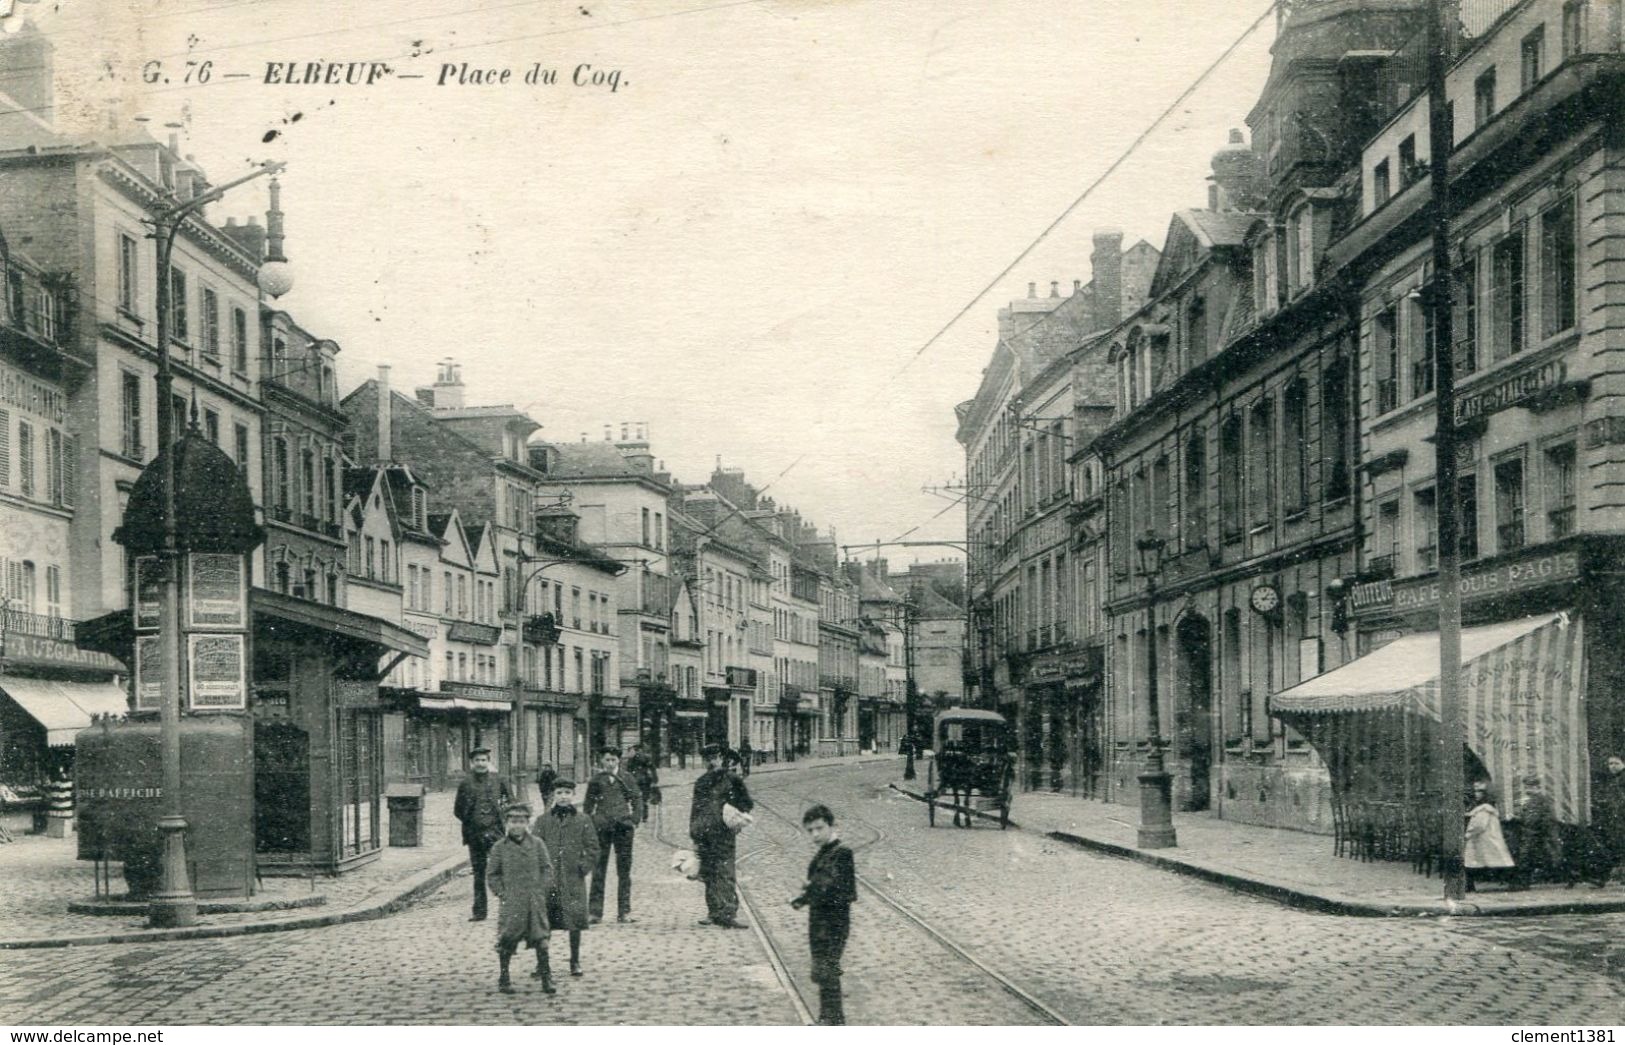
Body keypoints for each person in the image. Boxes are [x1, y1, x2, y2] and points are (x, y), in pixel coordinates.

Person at [792, 804, 857, 1026]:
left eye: (819, 828)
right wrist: (803, 897)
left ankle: (832, 1020)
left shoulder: (843, 853)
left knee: (827, 968)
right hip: (819, 920)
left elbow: (832, 885)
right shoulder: (824, 852)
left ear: (832, 826)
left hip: (834, 921)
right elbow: (819, 884)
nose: (815, 834)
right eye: (810, 830)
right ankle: (829, 1018)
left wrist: (811, 888)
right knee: (822, 969)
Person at [485, 801, 556, 994]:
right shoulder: (500, 847)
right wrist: (502, 893)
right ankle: (504, 977)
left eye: (521, 821)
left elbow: (547, 869)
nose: (517, 825)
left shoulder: (537, 844)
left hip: (535, 901)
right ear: (507, 823)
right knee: (507, 939)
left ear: (528, 823)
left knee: (541, 939)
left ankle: (546, 976)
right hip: (512, 902)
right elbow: (492, 874)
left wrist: (541, 889)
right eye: (513, 821)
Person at [534, 778, 599, 979]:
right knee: (543, 921)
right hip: (548, 880)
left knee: (574, 921)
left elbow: (593, 848)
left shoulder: (583, 820)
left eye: (567, 793)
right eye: (560, 792)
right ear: (554, 795)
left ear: (573, 795)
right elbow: (534, 847)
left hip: (573, 878)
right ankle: (542, 963)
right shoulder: (542, 821)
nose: (563, 797)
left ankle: (575, 960)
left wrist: (583, 867)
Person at [690, 744, 754, 928]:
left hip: (724, 833)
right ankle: (713, 912)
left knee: (725, 873)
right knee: (709, 873)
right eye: (708, 759)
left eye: (715, 758)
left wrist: (737, 818)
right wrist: (694, 835)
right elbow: (695, 809)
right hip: (705, 833)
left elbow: (747, 803)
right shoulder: (701, 782)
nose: (712, 762)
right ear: (704, 761)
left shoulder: (732, 779)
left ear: (720, 758)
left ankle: (728, 913)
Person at [583, 747, 644, 923]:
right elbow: (588, 804)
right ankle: (595, 913)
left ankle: (624, 912)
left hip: (623, 828)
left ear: (619, 761)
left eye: (613, 760)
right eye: (607, 760)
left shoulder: (627, 778)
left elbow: (637, 798)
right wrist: (591, 822)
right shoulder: (596, 780)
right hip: (601, 829)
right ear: (602, 761)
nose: (610, 763)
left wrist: (634, 818)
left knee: (624, 870)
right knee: (598, 869)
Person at [453, 746, 511, 922]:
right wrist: (471, 821)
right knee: (479, 873)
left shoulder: (498, 780)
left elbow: (511, 802)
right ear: (472, 763)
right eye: (477, 760)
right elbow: (457, 809)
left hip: (496, 832)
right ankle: (479, 911)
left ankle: (509, 908)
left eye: (483, 760)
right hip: (475, 834)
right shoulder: (465, 783)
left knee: (502, 869)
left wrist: (501, 818)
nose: (480, 763)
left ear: (488, 762)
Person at [1512, 776, 1565, 889]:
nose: (1527, 790)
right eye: (1526, 787)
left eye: (1530, 787)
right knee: (1528, 857)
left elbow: (1536, 819)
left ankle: (1524, 883)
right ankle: (1524, 883)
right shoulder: (1530, 800)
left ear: (1537, 788)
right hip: (1534, 833)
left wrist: (1521, 819)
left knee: (1526, 856)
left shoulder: (1540, 800)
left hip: (1539, 834)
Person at [1464, 779, 1515, 892]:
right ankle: (1469, 885)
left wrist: (1468, 834)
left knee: (1473, 862)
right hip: (1486, 839)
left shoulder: (1485, 809)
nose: (1476, 794)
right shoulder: (1485, 808)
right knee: (1497, 860)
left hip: (1484, 839)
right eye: (1476, 791)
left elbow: (1479, 825)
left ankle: (1469, 885)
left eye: (1479, 791)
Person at [1591, 754, 1625, 886]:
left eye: (1616, 763)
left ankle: (1602, 878)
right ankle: (1602, 878)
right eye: (1610, 764)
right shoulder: (1613, 780)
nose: (1613, 766)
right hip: (1615, 819)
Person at [624, 744, 658, 824]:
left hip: (639, 781)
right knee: (642, 799)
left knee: (638, 799)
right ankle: (643, 817)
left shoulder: (635, 758)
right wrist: (655, 779)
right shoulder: (642, 758)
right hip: (642, 781)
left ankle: (640, 817)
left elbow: (628, 771)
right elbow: (652, 768)